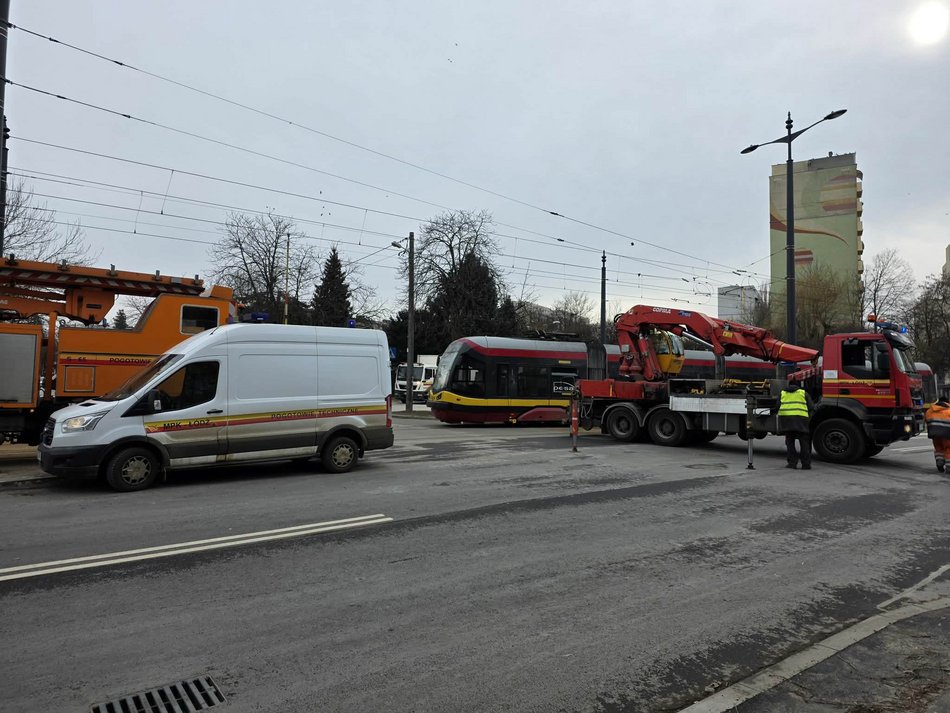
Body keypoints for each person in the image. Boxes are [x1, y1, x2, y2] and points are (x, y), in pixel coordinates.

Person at [777, 383, 815, 470]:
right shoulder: (803, 393)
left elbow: (777, 406)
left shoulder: (782, 393)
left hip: (787, 421)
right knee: (804, 443)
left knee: (790, 443)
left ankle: (792, 463)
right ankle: (806, 464)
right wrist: (808, 418)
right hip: (801, 421)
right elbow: (811, 407)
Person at [924, 397, 950, 473]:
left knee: (939, 448)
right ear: (947, 402)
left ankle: (940, 464)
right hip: (946, 434)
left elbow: (927, 420)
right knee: (948, 449)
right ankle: (949, 467)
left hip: (935, 434)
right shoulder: (948, 411)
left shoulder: (930, 411)